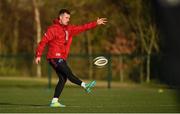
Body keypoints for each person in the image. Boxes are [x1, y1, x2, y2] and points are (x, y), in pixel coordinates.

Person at [35, 9, 107, 107]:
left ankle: (54, 101)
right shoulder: (53, 29)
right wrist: (38, 55)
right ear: (60, 17)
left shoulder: (69, 29)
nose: (68, 19)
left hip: (61, 58)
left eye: (69, 18)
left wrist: (95, 23)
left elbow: (83, 27)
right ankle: (85, 85)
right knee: (69, 74)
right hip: (54, 57)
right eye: (66, 17)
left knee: (63, 79)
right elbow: (43, 42)